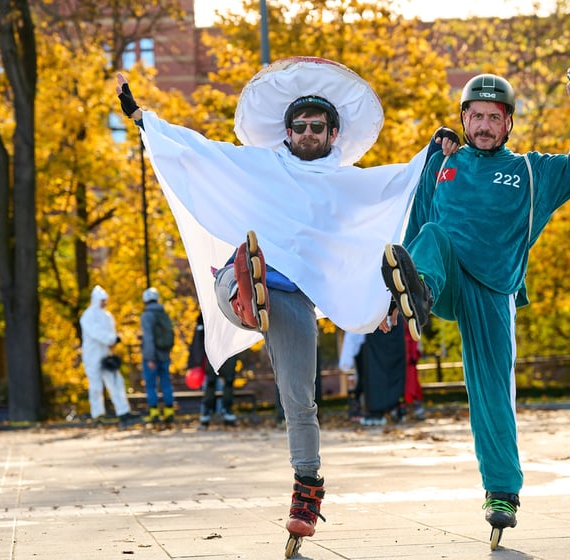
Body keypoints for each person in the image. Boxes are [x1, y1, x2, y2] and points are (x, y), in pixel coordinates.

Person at [115, 57, 459, 553]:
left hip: (294, 298)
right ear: (287, 131)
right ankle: (246, 291)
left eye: (317, 126)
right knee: (235, 276)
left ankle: (307, 486)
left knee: (300, 396)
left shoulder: (346, 182)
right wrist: (145, 119)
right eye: (298, 126)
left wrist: (435, 149)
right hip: (252, 281)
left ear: (333, 132)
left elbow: (397, 185)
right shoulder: (261, 165)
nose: (306, 133)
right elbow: (202, 154)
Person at [378, 66, 570, 548]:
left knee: (492, 392)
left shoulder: (529, 172)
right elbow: (415, 231)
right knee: (433, 236)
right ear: (463, 118)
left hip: (493, 291)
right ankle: (418, 296)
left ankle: (502, 492)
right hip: (442, 278)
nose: (482, 125)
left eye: (492, 117)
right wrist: (393, 298)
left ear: (508, 125)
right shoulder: (440, 164)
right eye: (475, 115)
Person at [79, 285, 136, 427]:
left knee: (116, 382)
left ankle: (123, 411)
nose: (104, 303)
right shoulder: (88, 316)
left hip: (106, 353)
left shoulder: (107, 316)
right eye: (102, 300)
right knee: (96, 385)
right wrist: (111, 339)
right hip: (92, 355)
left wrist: (113, 341)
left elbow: (111, 332)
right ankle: (98, 414)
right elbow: (96, 333)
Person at [187, 313, 239, 429]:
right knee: (221, 382)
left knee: (215, 383)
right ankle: (220, 413)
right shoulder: (222, 308)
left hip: (217, 350)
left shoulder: (206, 311)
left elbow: (199, 339)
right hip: (221, 350)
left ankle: (211, 414)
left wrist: (196, 360)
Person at [140, 287, 177, 424]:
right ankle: (169, 412)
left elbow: (149, 338)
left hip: (152, 357)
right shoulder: (163, 313)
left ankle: (154, 413)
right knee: (166, 383)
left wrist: (150, 358)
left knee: (151, 385)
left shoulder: (146, 315)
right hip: (165, 355)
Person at [402, 320, 425, 421]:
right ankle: (403, 409)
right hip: (402, 356)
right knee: (404, 385)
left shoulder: (413, 321)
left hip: (410, 358)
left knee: (412, 385)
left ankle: (416, 408)